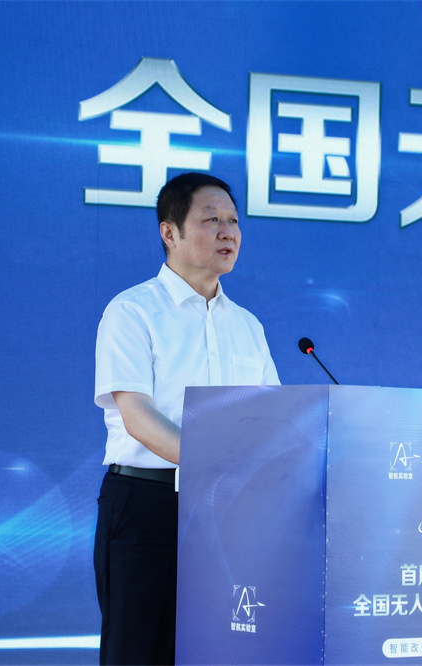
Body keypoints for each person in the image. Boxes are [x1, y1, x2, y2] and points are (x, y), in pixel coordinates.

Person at [93, 172, 280, 665]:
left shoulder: (248, 326)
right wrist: (219, 467)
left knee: (219, 651)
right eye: (211, 220)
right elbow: (137, 417)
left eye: (234, 221)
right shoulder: (132, 312)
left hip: (227, 515)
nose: (228, 232)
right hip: (147, 507)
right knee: (138, 654)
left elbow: (272, 420)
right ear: (169, 232)